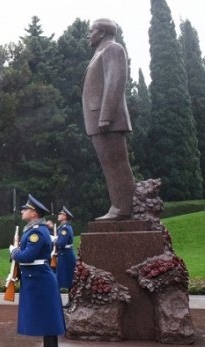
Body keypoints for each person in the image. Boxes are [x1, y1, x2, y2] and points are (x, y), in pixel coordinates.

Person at [82, 18, 135, 221]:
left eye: (91, 30)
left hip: (107, 120)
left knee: (117, 164)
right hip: (99, 120)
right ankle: (119, 206)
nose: (89, 34)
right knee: (109, 164)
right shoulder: (100, 53)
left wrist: (106, 115)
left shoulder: (113, 49)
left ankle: (123, 208)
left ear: (102, 32)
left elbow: (115, 81)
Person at [10, 195, 66, 347]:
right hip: (37, 280)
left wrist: (14, 252)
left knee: (49, 323)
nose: (22, 211)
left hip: (41, 281)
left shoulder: (37, 232)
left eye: (25, 209)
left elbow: (27, 256)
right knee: (46, 322)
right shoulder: (35, 229)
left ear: (34, 213)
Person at [54, 206, 77, 308]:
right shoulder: (65, 227)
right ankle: (69, 302)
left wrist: (54, 240)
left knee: (68, 279)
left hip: (66, 256)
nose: (59, 215)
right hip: (65, 255)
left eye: (61, 214)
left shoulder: (65, 228)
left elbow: (62, 243)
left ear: (64, 217)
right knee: (66, 279)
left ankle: (69, 302)